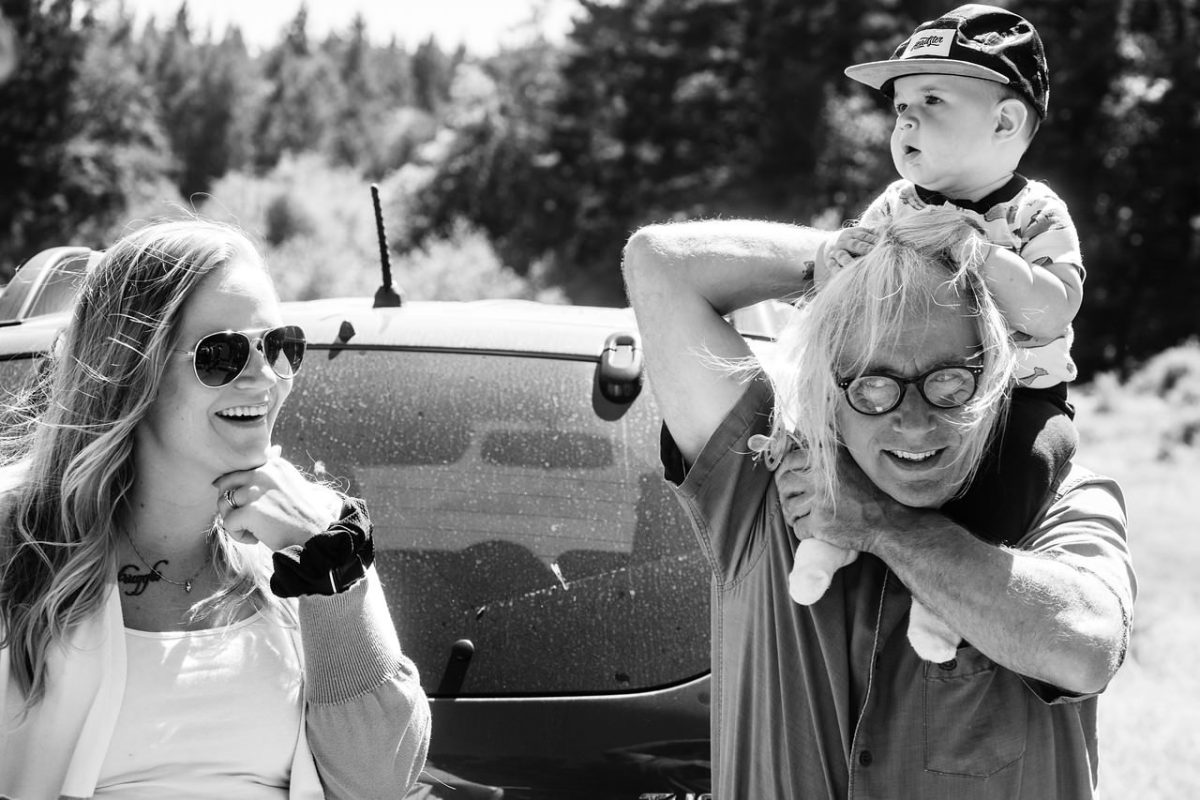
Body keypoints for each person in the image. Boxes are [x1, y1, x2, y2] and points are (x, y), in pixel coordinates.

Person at [621, 208, 1134, 799]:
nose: (913, 423)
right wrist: (863, 255)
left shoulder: (1060, 497)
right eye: (871, 384)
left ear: (995, 375)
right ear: (826, 390)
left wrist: (883, 525)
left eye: (949, 381)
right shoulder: (767, 482)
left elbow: (1085, 651)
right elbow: (660, 265)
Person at [0, 219, 431, 799]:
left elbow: (379, 783)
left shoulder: (323, 532)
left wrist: (328, 572)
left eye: (280, 347)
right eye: (221, 354)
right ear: (134, 371)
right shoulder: (19, 532)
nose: (263, 378)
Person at [831, 4, 1083, 546]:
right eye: (900, 106)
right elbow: (846, 296)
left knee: (1028, 462)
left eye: (932, 100)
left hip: (1019, 399)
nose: (905, 120)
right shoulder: (898, 203)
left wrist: (979, 251)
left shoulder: (1032, 211)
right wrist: (843, 258)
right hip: (903, 390)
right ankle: (829, 548)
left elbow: (1054, 309)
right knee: (825, 437)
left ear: (1004, 121)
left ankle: (961, 579)